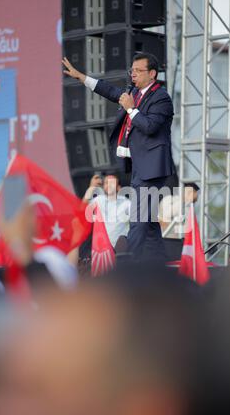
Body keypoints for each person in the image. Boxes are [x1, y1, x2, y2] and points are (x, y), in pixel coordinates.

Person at [62, 52, 174, 261]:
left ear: (152, 74)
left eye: (138, 71)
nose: (133, 75)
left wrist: (131, 109)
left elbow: (149, 127)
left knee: (138, 218)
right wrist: (82, 77)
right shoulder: (135, 92)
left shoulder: (161, 98)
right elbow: (111, 91)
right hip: (139, 167)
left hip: (152, 168)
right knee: (148, 222)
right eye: (132, 71)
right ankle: (161, 265)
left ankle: (124, 264)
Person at [84, 173, 131, 249]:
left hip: (121, 249)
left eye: (111, 183)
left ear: (118, 187)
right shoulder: (98, 200)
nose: (109, 185)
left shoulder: (126, 203)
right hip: (101, 250)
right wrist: (91, 187)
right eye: (106, 183)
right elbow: (82, 208)